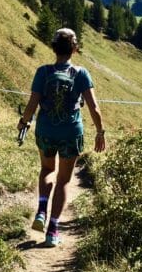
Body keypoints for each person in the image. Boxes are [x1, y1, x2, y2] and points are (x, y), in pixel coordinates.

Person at [17, 27, 105, 247]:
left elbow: (32, 104)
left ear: (53, 48)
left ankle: (40, 211)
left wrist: (24, 122)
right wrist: (100, 132)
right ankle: (53, 230)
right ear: (74, 49)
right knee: (64, 180)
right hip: (71, 133)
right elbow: (94, 108)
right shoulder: (81, 74)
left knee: (47, 170)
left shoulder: (43, 72)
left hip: (46, 130)